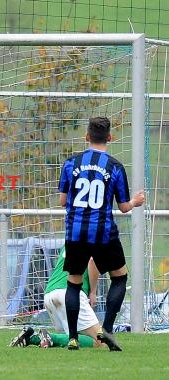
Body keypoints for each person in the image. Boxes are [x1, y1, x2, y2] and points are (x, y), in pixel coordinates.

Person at [58, 116, 145, 350]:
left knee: (74, 283)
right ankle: (105, 330)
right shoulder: (115, 166)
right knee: (119, 278)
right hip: (103, 233)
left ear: (86, 136)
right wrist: (136, 201)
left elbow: (62, 200)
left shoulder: (70, 164)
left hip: (75, 233)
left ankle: (73, 338)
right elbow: (124, 207)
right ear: (109, 137)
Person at [9, 246, 121, 350]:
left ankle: (31, 337)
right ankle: (49, 337)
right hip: (69, 293)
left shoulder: (70, 240)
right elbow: (92, 261)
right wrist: (92, 292)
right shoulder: (93, 237)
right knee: (101, 341)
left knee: (71, 337)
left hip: (50, 294)